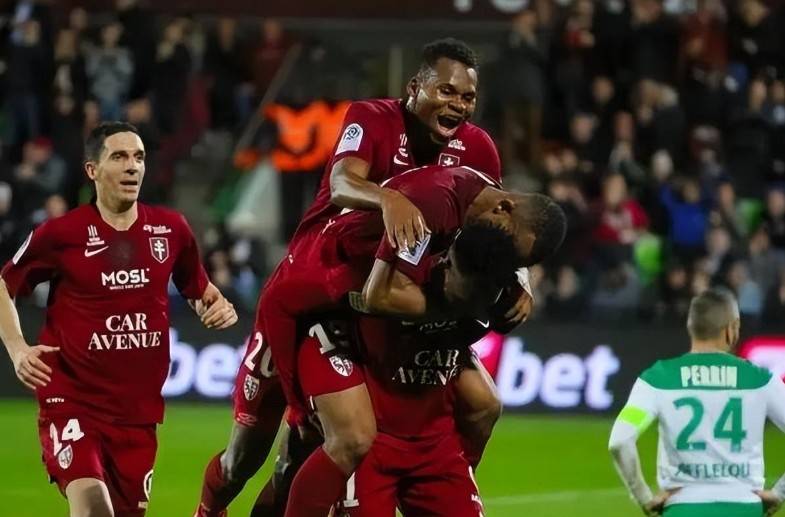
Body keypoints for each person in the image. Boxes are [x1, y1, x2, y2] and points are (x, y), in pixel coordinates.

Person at [196, 37, 533, 517]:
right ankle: (208, 510)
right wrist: (390, 198)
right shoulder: (373, 118)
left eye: (467, 97)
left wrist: (521, 277)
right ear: (415, 88)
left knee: (478, 404)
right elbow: (341, 182)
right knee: (245, 458)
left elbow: (498, 227)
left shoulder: (477, 148)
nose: (458, 105)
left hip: (383, 314)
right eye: (446, 91)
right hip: (313, 293)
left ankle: (447, 479)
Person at [0, 122, 238, 517]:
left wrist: (216, 306)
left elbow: (200, 290)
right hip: (72, 401)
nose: (132, 166)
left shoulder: (172, 230)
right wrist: (17, 348)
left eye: (139, 157)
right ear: (92, 170)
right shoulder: (62, 234)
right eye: (120, 156)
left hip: (137, 415)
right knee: (94, 507)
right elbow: (4, 284)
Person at [296, 225, 529, 517]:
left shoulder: (502, 299)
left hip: (437, 449)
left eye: (484, 296)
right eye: (468, 293)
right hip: (374, 445)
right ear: (447, 263)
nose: (471, 305)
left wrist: (525, 280)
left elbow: (524, 231)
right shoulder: (391, 286)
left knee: (487, 404)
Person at [609, 288, 785, 517]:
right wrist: (780, 492)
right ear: (731, 329)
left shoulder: (658, 378)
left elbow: (620, 441)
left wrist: (643, 496)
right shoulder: (760, 380)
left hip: (682, 508)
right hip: (744, 508)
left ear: (691, 327)